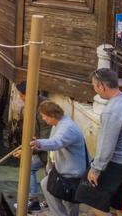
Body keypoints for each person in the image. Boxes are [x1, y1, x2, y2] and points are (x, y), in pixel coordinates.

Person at [76, 68, 122, 215]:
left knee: (90, 197)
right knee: (119, 202)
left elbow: (106, 145)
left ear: (101, 86)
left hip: (116, 162)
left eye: (94, 85)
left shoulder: (112, 111)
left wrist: (96, 169)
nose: (94, 88)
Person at [31, 101, 87, 216]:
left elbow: (56, 142)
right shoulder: (59, 123)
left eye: (44, 116)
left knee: (70, 200)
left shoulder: (67, 128)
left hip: (73, 171)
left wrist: (38, 143)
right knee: (46, 184)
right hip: (64, 167)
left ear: (52, 115)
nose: (43, 119)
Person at [12, 80, 49, 213]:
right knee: (47, 175)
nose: (20, 98)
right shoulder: (34, 105)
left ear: (28, 94)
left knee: (29, 168)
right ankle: (46, 201)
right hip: (42, 146)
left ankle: (34, 201)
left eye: (21, 95)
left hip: (50, 150)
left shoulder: (44, 109)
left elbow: (47, 139)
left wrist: (28, 151)